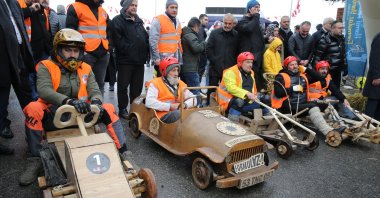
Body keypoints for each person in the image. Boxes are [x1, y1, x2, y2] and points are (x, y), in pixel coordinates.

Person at [21, 29, 128, 185]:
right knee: (32, 108)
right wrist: (68, 101)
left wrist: (97, 101)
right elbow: (44, 90)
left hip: (82, 116)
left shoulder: (86, 67)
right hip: (54, 114)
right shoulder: (46, 65)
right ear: (58, 49)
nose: (72, 54)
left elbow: (95, 90)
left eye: (76, 50)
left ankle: (124, 152)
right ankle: (35, 158)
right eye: (68, 49)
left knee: (109, 107)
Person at [272, 56, 344, 146]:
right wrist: (293, 88)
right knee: (313, 106)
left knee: (324, 104)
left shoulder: (303, 76)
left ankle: (340, 126)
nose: (295, 66)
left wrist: (306, 69)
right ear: (286, 67)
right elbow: (278, 93)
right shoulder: (281, 76)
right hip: (288, 107)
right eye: (291, 65)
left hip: (301, 105)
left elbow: (320, 77)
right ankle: (328, 131)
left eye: (296, 64)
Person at [0, 0, 34, 140]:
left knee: (25, 91)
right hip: (3, 54)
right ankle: (2, 126)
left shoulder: (13, 3)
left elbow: (18, 25)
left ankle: (34, 127)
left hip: (19, 52)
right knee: (2, 92)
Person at [111, 0, 149, 119]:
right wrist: (130, 50)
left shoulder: (138, 20)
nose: (134, 7)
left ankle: (134, 108)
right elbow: (117, 40)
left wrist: (146, 53)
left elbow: (144, 37)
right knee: (122, 86)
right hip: (125, 60)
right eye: (132, 5)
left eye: (136, 5)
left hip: (139, 61)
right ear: (126, 6)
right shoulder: (117, 20)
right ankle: (122, 109)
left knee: (136, 88)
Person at [66, 0, 111, 94]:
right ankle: (84, 108)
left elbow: (109, 30)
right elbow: (71, 32)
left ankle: (98, 107)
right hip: (86, 54)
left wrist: (108, 48)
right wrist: (80, 52)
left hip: (103, 54)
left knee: (100, 85)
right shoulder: (75, 7)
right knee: (82, 84)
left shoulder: (102, 10)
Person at [145, 57, 196, 124]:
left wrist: (185, 105)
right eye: (173, 70)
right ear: (164, 72)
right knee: (180, 114)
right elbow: (149, 102)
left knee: (196, 113)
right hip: (162, 115)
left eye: (177, 70)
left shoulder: (181, 84)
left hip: (179, 112)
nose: (176, 74)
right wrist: (170, 106)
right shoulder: (155, 83)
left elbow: (194, 99)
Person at [217, 52, 264, 121]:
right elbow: (231, 88)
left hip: (245, 98)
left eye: (251, 62)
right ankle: (232, 122)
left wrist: (256, 96)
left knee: (265, 99)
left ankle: (266, 123)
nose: (251, 65)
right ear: (240, 63)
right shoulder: (230, 72)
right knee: (239, 102)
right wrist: (247, 93)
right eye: (248, 62)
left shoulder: (251, 73)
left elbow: (253, 88)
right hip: (227, 100)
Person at [206, 13, 239, 103]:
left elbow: (238, 51)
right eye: (225, 23)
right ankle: (209, 108)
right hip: (215, 68)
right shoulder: (214, 33)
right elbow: (208, 48)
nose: (227, 25)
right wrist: (214, 60)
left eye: (229, 23)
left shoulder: (237, 35)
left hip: (229, 69)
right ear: (222, 22)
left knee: (227, 91)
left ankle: (224, 109)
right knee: (212, 89)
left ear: (233, 24)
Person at [236, 0, 266, 90]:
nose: (258, 10)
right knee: (249, 79)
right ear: (249, 9)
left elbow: (258, 37)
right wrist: (256, 17)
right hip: (248, 57)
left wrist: (267, 39)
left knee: (257, 79)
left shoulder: (255, 21)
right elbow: (249, 29)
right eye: (255, 7)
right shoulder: (242, 21)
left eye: (258, 8)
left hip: (258, 56)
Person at [149, 0, 182, 77]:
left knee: (172, 83)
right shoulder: (158, 19)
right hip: (162, 59)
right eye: (172, 7)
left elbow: (177, 40)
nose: (174, 10)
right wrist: (156, 58)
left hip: (174, 59)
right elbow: (153, 40)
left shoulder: (177, 21)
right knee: (160, 82)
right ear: (166, 8)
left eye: (176, 8)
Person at [313, 21, 347, 87]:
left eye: (342, 28)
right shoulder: (325, 39)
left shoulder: (341, 38)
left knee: (336, 90)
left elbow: (343, 53)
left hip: (338, 69)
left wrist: (345, 66)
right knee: (326, 90)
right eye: (339, 28)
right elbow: (318, 56)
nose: (342, 30)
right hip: (328, 70)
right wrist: (316, 72)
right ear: (333, 28)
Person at [181, 17, 206, 95]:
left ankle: (188, 106)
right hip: (190, 69)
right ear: (196, 26)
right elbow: (197, 48)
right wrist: (205, 43)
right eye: (199, 27)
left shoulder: (186, 33)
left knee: (187, 92)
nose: (199, 30)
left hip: (186, 68)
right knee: (195, 91)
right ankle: (197, 106)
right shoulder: (190, 35)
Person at [363, 33, 380, 120]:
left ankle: (376, 127)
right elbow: (374, 59)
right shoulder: (378, 39)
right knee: (372, 104)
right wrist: (376, 76)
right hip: (377, 78)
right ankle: (366, 127)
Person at [197, 14, 208, 79]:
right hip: (201, 55)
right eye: (205, 20)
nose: (207, 22)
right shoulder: (200, 29)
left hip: (200, 55)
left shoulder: (202, 29)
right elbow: (202, 42)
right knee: (200, 72)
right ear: (200, 20)